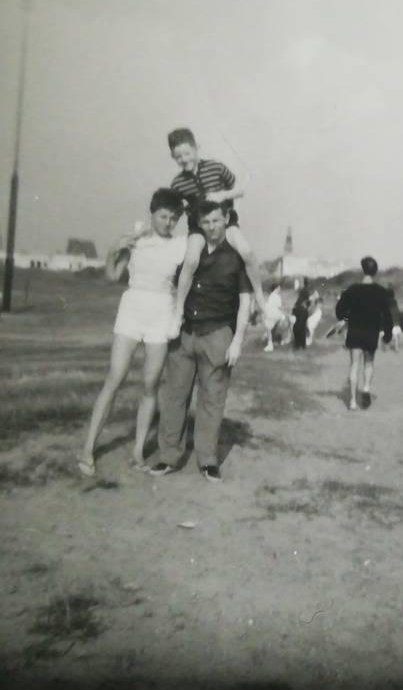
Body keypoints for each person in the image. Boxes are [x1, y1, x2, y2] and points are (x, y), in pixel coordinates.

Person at [79, 188, 187, 476]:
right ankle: (88, 448)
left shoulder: (181, 245)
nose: (168, 222)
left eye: (173, 218)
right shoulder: (137, 241)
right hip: (132, 308)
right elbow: (112, 276)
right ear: (151, 214)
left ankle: (138, 451)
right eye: (163, 216)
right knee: (115, 377)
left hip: (162, 311)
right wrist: (116, 248)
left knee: (150, 384)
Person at [148, 199, 253, 482]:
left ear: (227, 218)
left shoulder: (236, 256)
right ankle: (169, 455)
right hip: (185, 333)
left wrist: (237, 341)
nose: (212, 227)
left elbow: (246, 300)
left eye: (217, 221)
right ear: (199, 224)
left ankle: (208, 460)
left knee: (212, 399)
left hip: (218, 334)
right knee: (174, 397)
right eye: (206, 222)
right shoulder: (189, 250)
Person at [164, 127, 273, 330]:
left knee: (247, 252)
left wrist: (221, 196)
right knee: (191, 261)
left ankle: (259, 296)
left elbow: (240, 190)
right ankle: (178, 313)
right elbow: (173, 210)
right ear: (173, 157)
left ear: (197, 149)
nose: (184, 159)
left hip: (226, 222)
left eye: (187, 153)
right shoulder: (178, 183)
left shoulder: (216, 167)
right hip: (198, 227)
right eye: (178, 157)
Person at [336, 256, 397, 411]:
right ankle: (367, 389)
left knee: (354, 364)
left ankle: (352, 402)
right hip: (371, 332)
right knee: (369, 363)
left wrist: (346, 318)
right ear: (375, 272)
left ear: (362, 270)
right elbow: (387, 315)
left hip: (355, 331)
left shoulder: (352, 289)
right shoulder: (381, 292)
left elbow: (339, 310)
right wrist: (387, 335)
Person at [291, 280, 312, 349]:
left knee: (299, 327)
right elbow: (308, 300)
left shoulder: (303, 291)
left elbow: (308, 300)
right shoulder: (305, 291)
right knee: (301, 327)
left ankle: (299, 343)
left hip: (300, 311)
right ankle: (301, 344)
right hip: (301, 311)